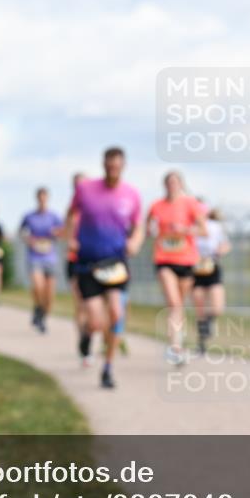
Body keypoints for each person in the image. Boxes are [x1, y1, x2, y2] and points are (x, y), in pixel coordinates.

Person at [66, 147, 144, 388]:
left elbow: (138, 225)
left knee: (116, 314)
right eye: (109, 166)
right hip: (88, 264)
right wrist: (70, 236)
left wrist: (135, 242)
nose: (113, 170)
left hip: (116, 263)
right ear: (103, 165)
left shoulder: (131, 194)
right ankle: (87, 335)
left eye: (117, 166)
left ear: (123, 166)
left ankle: (108, 368)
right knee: (97, 322)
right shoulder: (85, 189)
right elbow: (70, 214)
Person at [147, 171, 207, 365]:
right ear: (164, 185)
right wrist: (152, 230)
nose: (172, 185)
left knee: (179, 305)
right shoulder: (156, 206)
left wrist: (185, 230)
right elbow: (148, 227)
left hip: (186, 260)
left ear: (181, 184)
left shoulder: (191, 203)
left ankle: (177, 341)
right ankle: (175, 347)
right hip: (164, 259)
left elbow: (203, 230)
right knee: (174, 303)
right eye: (169, 182)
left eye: (175, 182)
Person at [20, 188, 63, 333]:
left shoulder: (54, 216)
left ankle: (42, 317)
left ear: (48, 198)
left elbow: (63, 232)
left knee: (49, 294)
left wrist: (56, 233)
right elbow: (22, 232)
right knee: (38, 287)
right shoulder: (29, 216)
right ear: (37, 198)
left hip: (50, 257)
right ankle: (38, 308)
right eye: (40, 197)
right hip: (34, 256)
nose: (42, 200)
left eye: (45, 197)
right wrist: (29, 240)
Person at [192, 207, 230, 354]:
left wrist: (220, 251)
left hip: (212, 266)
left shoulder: (215, 227)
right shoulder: (190, 227)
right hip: (196, 268)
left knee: (217, 307)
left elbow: (225, 244)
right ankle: (201, 341)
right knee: (199, 305)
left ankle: (210, 321)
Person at [64, 173, 93, 364]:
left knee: (100, 306)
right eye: (77, 186)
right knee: (81, 304)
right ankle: (84, 341)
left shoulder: (96, 208)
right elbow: (65, 233)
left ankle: (97, 334)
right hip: (76, 261)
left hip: (97, 260)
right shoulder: (72, 211)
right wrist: (70, 240)